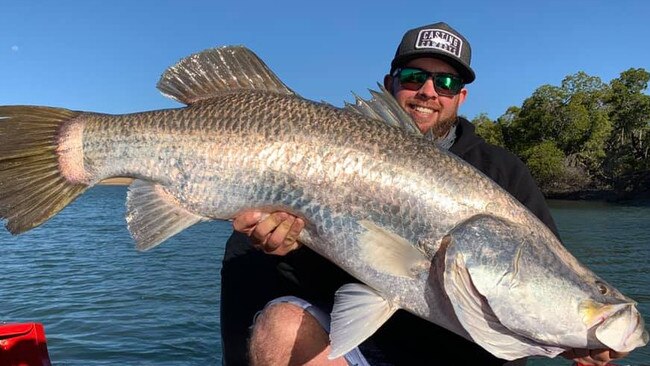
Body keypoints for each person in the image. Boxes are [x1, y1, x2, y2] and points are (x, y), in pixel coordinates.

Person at [220, 22, 628, 366]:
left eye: (446, 82)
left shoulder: (503, 172)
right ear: (389, 85)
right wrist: (282, 250)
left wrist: (566, 334)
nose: (429, 91)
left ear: (460, 97)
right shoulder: (322, 154)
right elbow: (256, 278)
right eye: (414, 77)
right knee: (281, 324)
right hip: (358, 351)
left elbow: (541, 271)